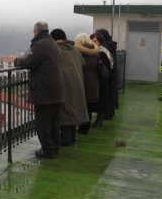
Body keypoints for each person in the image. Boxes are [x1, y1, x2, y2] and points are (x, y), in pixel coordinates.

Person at [14, 21, 64, 158]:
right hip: (56, 90)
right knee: (54, 122)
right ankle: (55, 149)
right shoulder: (53, 44)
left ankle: (48, 150)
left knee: (42, 123)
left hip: (44, 91)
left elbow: (30, 62)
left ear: (35, 31)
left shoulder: (40, 45)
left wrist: (17, 61)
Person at [50, 29, 89, 146]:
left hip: (64, 85)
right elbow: (83, 63)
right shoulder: (76, 50)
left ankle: (66, 138)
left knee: (65, 111)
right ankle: (72, 137)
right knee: (73, 111)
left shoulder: (57, 50)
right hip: (77, 84)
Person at [75, 33, 99, 134]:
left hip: (82, 79)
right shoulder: (95, 51)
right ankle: (86, 127)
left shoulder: (78, 52)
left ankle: (82, 127)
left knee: (81, 105)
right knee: (88, 105)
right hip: (93, 80)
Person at [90, 32, 114, 127]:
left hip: (102, 81)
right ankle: (98, 120)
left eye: (95, 40)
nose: (93, 42)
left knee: (100, 100)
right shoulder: (104, 51)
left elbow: (104, 68)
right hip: (103, 80)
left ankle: (99, 120)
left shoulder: (101, 53)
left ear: (100, 42)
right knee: (100, 100)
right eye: (91, 40)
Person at [95, 29, 119, 116]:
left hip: (108, 74)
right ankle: (109, 112)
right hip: (111, 73)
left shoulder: (105, 49)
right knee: (110, 94)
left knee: (107, 94)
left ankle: (106, 113)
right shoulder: (111, 46)